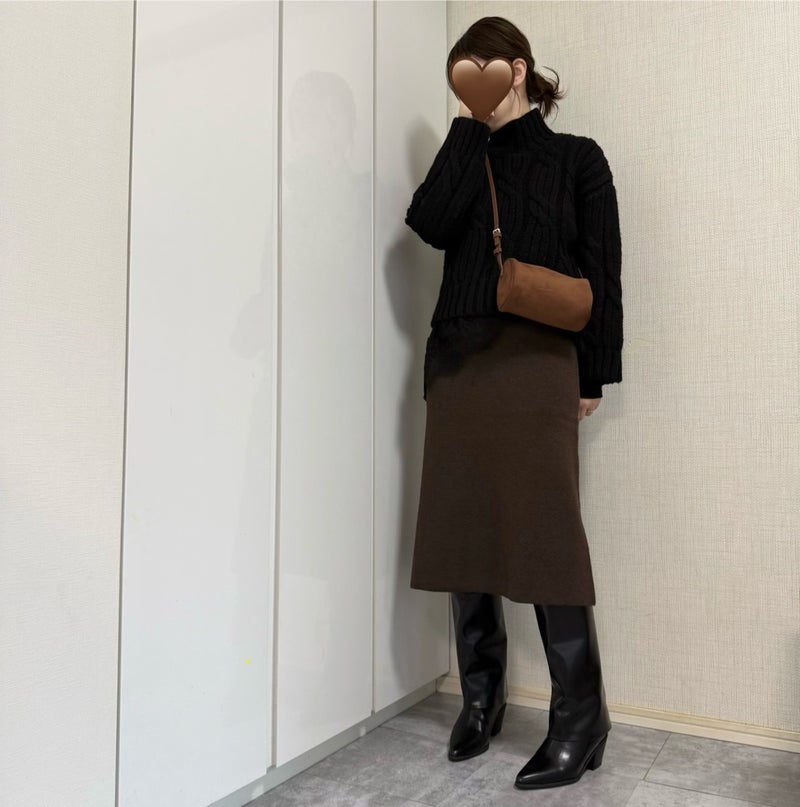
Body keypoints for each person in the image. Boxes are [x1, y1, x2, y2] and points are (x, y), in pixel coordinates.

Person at [404, 16, 623, 790]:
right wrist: (469, 127)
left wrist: (593, 376)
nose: (474, 82)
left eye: (484, 68)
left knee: (545, 536)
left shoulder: (577, 159)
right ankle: (482, 696)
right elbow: (429, 223)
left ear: (518, 69)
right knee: (463, 529)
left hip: (537, 365)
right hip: (460, 363)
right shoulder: (467, 151)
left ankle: (580, 717)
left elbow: (602, 273)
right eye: (461, 73)